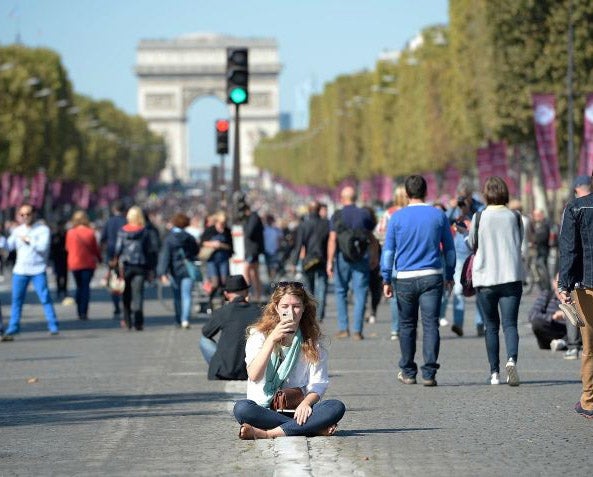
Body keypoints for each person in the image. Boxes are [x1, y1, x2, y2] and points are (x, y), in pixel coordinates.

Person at [233, 281, 345, 439]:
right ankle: (311, 428)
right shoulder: (258, 336)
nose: (291, 311)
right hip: (263, 409)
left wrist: (306, 403)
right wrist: (271, 340)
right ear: (276, 307)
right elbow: (254, 375)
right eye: (285, 306)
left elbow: (318, 384)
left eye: (296, 306)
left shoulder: (312, 342)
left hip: (298, 409)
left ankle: (268, 433)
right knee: (241, 408)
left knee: (335, 407)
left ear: (304, 308)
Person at [381, 175, 455, 387]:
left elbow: (389, 252)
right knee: (431, 324)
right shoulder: (438, 215)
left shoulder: (397, 217)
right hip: (431, 275)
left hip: (404, 277)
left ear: (406, 193)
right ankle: (429, 372)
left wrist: (386, 278)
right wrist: (449, 275)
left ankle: (408, 370)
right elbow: (449, 250)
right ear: (426, 191)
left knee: (406, 325)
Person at [467, 176, 524, 386]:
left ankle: (494, 373)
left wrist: (467, 233)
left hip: (486, 278)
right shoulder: (515, 216)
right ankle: (512, 360)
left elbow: (471, 243)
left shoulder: (479, 217)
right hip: (511, 276)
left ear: (486, 194)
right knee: (510, 325)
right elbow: (520, 243)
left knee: (491, 326)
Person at [557, 173, 593, 418]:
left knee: (589, 346)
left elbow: (569, 249)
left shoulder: (577, 207)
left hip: (588, 285)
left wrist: (564, 284)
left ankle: (589, 400)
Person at [1, 204, 59, 341]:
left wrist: (29, 240)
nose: (25, 217)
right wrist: (2, 241)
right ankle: (13, 327)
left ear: (33, 214)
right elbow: (9, 246)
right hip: (20, 270)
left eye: (27, 214)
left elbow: (43, 247)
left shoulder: (42, 230)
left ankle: (53, 325)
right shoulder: (17, 230)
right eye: (22, 214)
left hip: (38, 269)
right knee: (16, 300)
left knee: (45, 298)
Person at [327, 186, 374, 340]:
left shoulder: (337, 215)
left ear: (342, 198)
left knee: (341, 292)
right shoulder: (365, 214)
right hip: (361, 256)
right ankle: (357, 331)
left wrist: (329, 261)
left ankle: (343, 328)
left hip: (342, 257)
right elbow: (371, 237)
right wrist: (374, 257)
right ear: (355, 198)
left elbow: (333, 239)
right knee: (360, 293)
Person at [199, 275, 261, 380]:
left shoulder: (223, 311)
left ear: (226, 294)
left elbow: (206, 332)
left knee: (203, 340)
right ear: (246, 292)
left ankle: (217, 365)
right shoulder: (259, 311)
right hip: (250, 369)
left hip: (224, 370)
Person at [114, 205, 158, 331]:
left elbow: (118, 249)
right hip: (140, 265)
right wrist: (151, 269)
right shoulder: (144, 231)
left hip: (125, 266)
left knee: (125, 294)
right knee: (138, 294)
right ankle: (139, 322)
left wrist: (115, 261)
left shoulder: (122, 231)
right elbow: (149, 251)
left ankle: (127, 321)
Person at [157, 212, 199, 329]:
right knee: (187, 295)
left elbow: (165, 256)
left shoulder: (169, 238)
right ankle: (185, 319)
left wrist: (162, 272)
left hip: (174, 270)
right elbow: (195, 251)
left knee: (177, 296)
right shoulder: (189, 237)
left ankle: (178, 318)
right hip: (188, 269)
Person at [292, 201, 329, 321]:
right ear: (319, 210)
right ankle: (320, 315)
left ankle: (311, 313)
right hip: (322, 259)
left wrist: (294, 261)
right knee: (322, 287)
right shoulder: (326, 224)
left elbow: (298, 245)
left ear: (309, 210)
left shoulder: (304, 225)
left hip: (308, 260)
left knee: (308, 288)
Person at [65, 211, 102, 321]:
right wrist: (100, 259)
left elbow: (67, 248)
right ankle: (83, 312)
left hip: (74, 262)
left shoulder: (70, 233)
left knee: (78, 286)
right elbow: (95, 248)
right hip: (88, 263)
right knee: (85, 287)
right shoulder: (90, 232)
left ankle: (78, 309)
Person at [200, 211, 233, 309]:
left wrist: (221, 245)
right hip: (212, 260)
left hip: (223, 259)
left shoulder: (227, 231)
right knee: (215, 283)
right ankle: (210, 300)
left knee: (224, 282)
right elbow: (202, 243)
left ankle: (224, 303)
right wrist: (213, 244)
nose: (222, 225)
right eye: (221, 222)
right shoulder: (210, 230)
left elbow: (230, 247)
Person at [100, 201, 127, 319]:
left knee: (113, 280)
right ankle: (125, 303)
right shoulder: (126, 221)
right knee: (125, 279)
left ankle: (116, 305)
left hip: (111, 255)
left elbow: (102, 238)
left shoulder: (109, 222)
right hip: (125, 255)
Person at [528, 276, 567, 350]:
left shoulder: (574, 298)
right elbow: (532, 315)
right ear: (554, 283)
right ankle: (560, 343)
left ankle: (564, 342)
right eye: (559, 282)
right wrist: (552, 317)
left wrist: (566, 314)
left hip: (568, 330)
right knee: (537, 323)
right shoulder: (547, 295)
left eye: (565, 282)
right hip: (551, 329)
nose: (562, 286)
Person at [243, 204, 265, 301]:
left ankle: (247, 295)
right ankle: (257, 294)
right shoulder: (254, 217)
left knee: (247, 271)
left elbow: (249, 232)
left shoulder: (253, 218)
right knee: (254, 273)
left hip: (252, 249)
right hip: (253, 249)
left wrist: (245, 224)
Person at [50, 219, 68, 301]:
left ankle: (64, 290)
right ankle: (59, 290)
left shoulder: (66, 234)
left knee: (64, 275)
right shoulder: (54, 235)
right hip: (57, 258)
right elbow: (52, 247)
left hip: (65, 257)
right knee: (58, 275)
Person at [263, 214, 283, 282]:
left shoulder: (276, 229)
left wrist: (278, 246)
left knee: (274, 267)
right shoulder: (264, 229)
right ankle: (270, 281)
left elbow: (280, 237)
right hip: (267, 251)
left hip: (275, 251)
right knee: (268, 267)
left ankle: (273, 281)